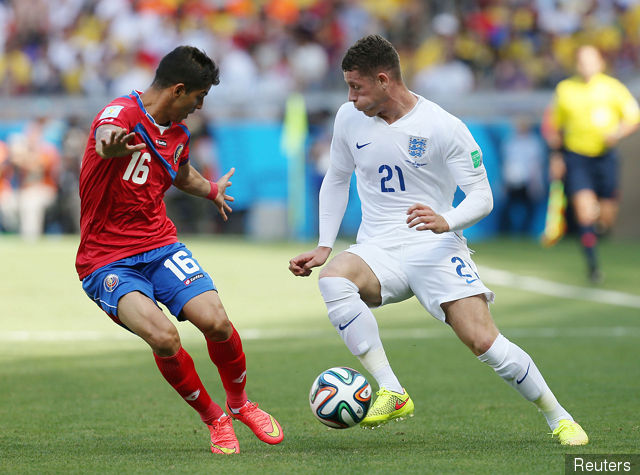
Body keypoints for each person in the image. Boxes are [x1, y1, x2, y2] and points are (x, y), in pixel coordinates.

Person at [289, 35, 588, 446]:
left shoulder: (443, 127)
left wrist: (446, 220)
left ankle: (559, 417)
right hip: (378, 248)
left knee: (486, 343)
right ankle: (392, 390)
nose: (351, 97)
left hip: (435, 247)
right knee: (334, 277)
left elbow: (483, 196)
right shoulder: (348, 118)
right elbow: (337, 179)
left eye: (356, 87)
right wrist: (325, 245)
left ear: (383, 80)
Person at [75, 46, 283, 455]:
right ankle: (215, 419)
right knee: (165, 337)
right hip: (106, 260)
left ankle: (241, 405)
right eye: (198, 98)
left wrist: (210, 190)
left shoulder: (177, 133)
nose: (199, 107)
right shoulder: (121, 115)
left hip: (160, 245)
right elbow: (105, 137)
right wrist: (111, 145)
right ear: (179, 89)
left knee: (217, 322)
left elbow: (179, 168)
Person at [544, 45, 640, 283]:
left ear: (600, 63)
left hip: (605, 157)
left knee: (606, 218)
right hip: (577, 157)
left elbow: (633, 117)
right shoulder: (566, 89)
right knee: (584, 210)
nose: (586, 65)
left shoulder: (612, 88)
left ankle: (598, 226)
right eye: (581, 60)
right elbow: (553, 125)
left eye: (590, 60)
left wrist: (618, 133)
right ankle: (593, 266)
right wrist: (556, 155)